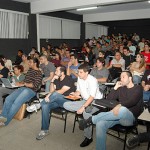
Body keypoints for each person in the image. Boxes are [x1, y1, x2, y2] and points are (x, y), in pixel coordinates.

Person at [79, 71, 143, 150]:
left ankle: (91, 120)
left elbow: (132, 101)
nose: (121, 79)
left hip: (130, 118)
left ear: (130, 78)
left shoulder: (138, 88)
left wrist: (119, 105)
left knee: (122, 109)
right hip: (117, 116)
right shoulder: (121, 88)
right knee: (100, 124)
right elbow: (109, 99)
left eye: (123, 77)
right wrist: (115, 88)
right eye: (120, 77)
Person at [64, 64, 103, 147]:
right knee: (66, 104)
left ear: (87, 73)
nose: (78, 73)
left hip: (96, 102)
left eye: (81, 72)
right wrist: (74, 94)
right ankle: (89, 118)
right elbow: (78, 91)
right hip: (85, 100)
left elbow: (92, 97)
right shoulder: (80, 78)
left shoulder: (93, 80)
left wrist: (83, 107)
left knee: (86, 113)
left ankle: (88, 138)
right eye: (78, 72)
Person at [36, 66, 76, 140]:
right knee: (45, 106)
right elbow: (51, 90)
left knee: (56, 94)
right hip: (56, 100)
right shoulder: (57, 79)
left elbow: (61, 92)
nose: (55, 72)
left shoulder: (69, 79)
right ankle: (45, 130)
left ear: (62, 72)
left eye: (57, 71)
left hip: (66, 102)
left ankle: (39, 105)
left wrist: (48, 96)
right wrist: (52, 80)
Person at [0, 57, 42, 126]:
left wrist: (24, 84)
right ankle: (2, 116)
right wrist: (20, 83)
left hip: (31, 90)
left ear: (35, 63)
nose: (29, 63)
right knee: (8, 99)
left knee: (16, 103)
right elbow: (25, 80)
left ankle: (5, 121)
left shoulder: (39, 73)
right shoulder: (30, 70)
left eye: (30, 62)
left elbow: (34, 85)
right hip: (23, 88)